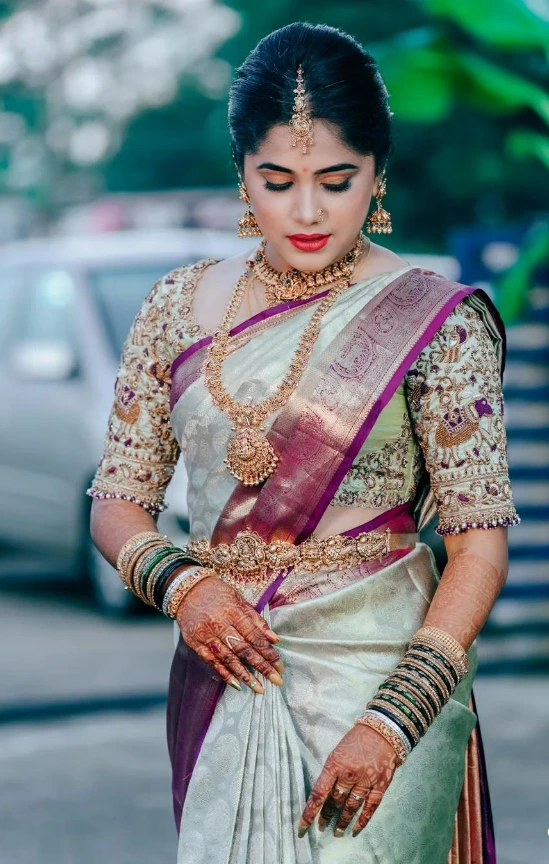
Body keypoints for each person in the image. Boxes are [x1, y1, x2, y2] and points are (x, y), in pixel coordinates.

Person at [88, 21, 520, 864]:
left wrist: (394, 723)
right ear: (242, 173)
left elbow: (479, 545)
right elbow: (118, 501)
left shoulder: (433, 320)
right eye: (278, 181)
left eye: (338, 179)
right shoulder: (175, 308)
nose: (310, 211)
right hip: (223, 669)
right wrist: (184, 588)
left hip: (385, 685)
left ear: (378, 176)